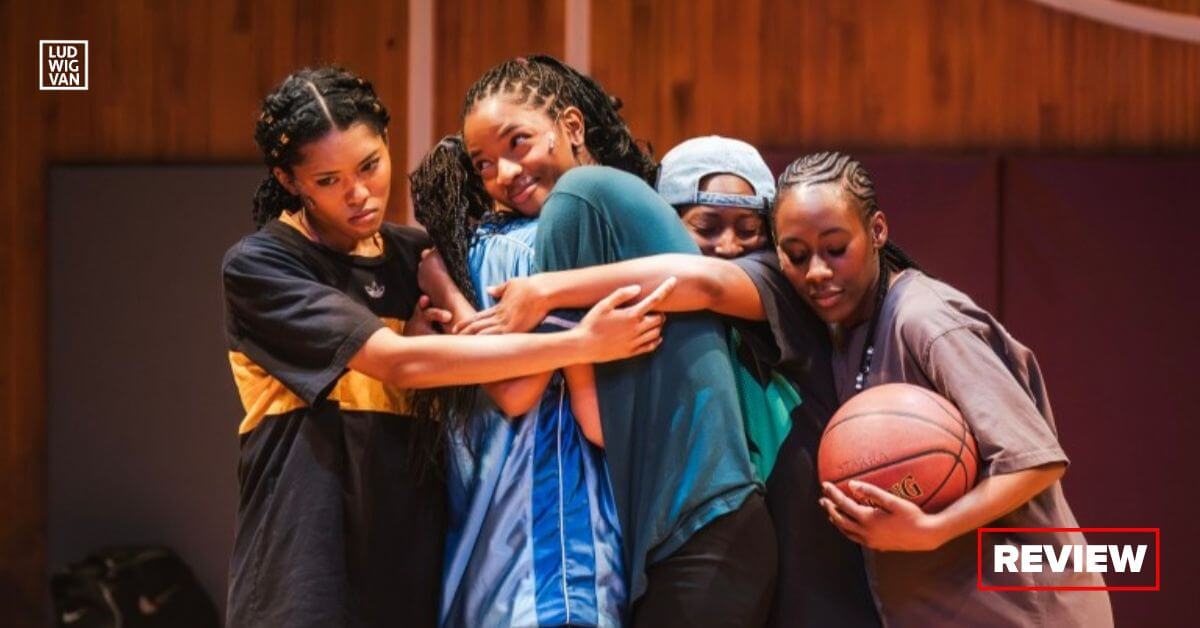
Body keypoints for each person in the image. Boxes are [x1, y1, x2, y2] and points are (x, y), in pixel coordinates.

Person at [221, 66, 671, 627]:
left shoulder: (420, 257)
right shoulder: (264, 265)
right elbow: (399, 363)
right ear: (290, 181)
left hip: (414, 578)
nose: (359, 193)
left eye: (370, 165)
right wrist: (581, 342)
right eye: (328, 180)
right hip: (305, 578)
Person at [462, 142, 880, 627]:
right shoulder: (665, 320)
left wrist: (547, 290)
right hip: (741, 554)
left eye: (748, 230)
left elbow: (705, 282)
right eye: (707, 227)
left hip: (797, 558)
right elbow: (597, 425)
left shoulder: (770, 279)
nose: (728, 245)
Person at [426, 55, 777, 626]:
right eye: (484, 164)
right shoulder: (606, 201)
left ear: (571, 126)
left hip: (691, 533)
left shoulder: (574, 203)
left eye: (518, 142)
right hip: (703, 530)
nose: (505, 172)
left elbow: (548, 405)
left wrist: (467, 293)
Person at [410, 136, 626, 627]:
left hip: (481, 569)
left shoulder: (451, 260)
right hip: (553, 562)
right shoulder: (550, 248)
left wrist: (443, 287)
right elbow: (524, 394)